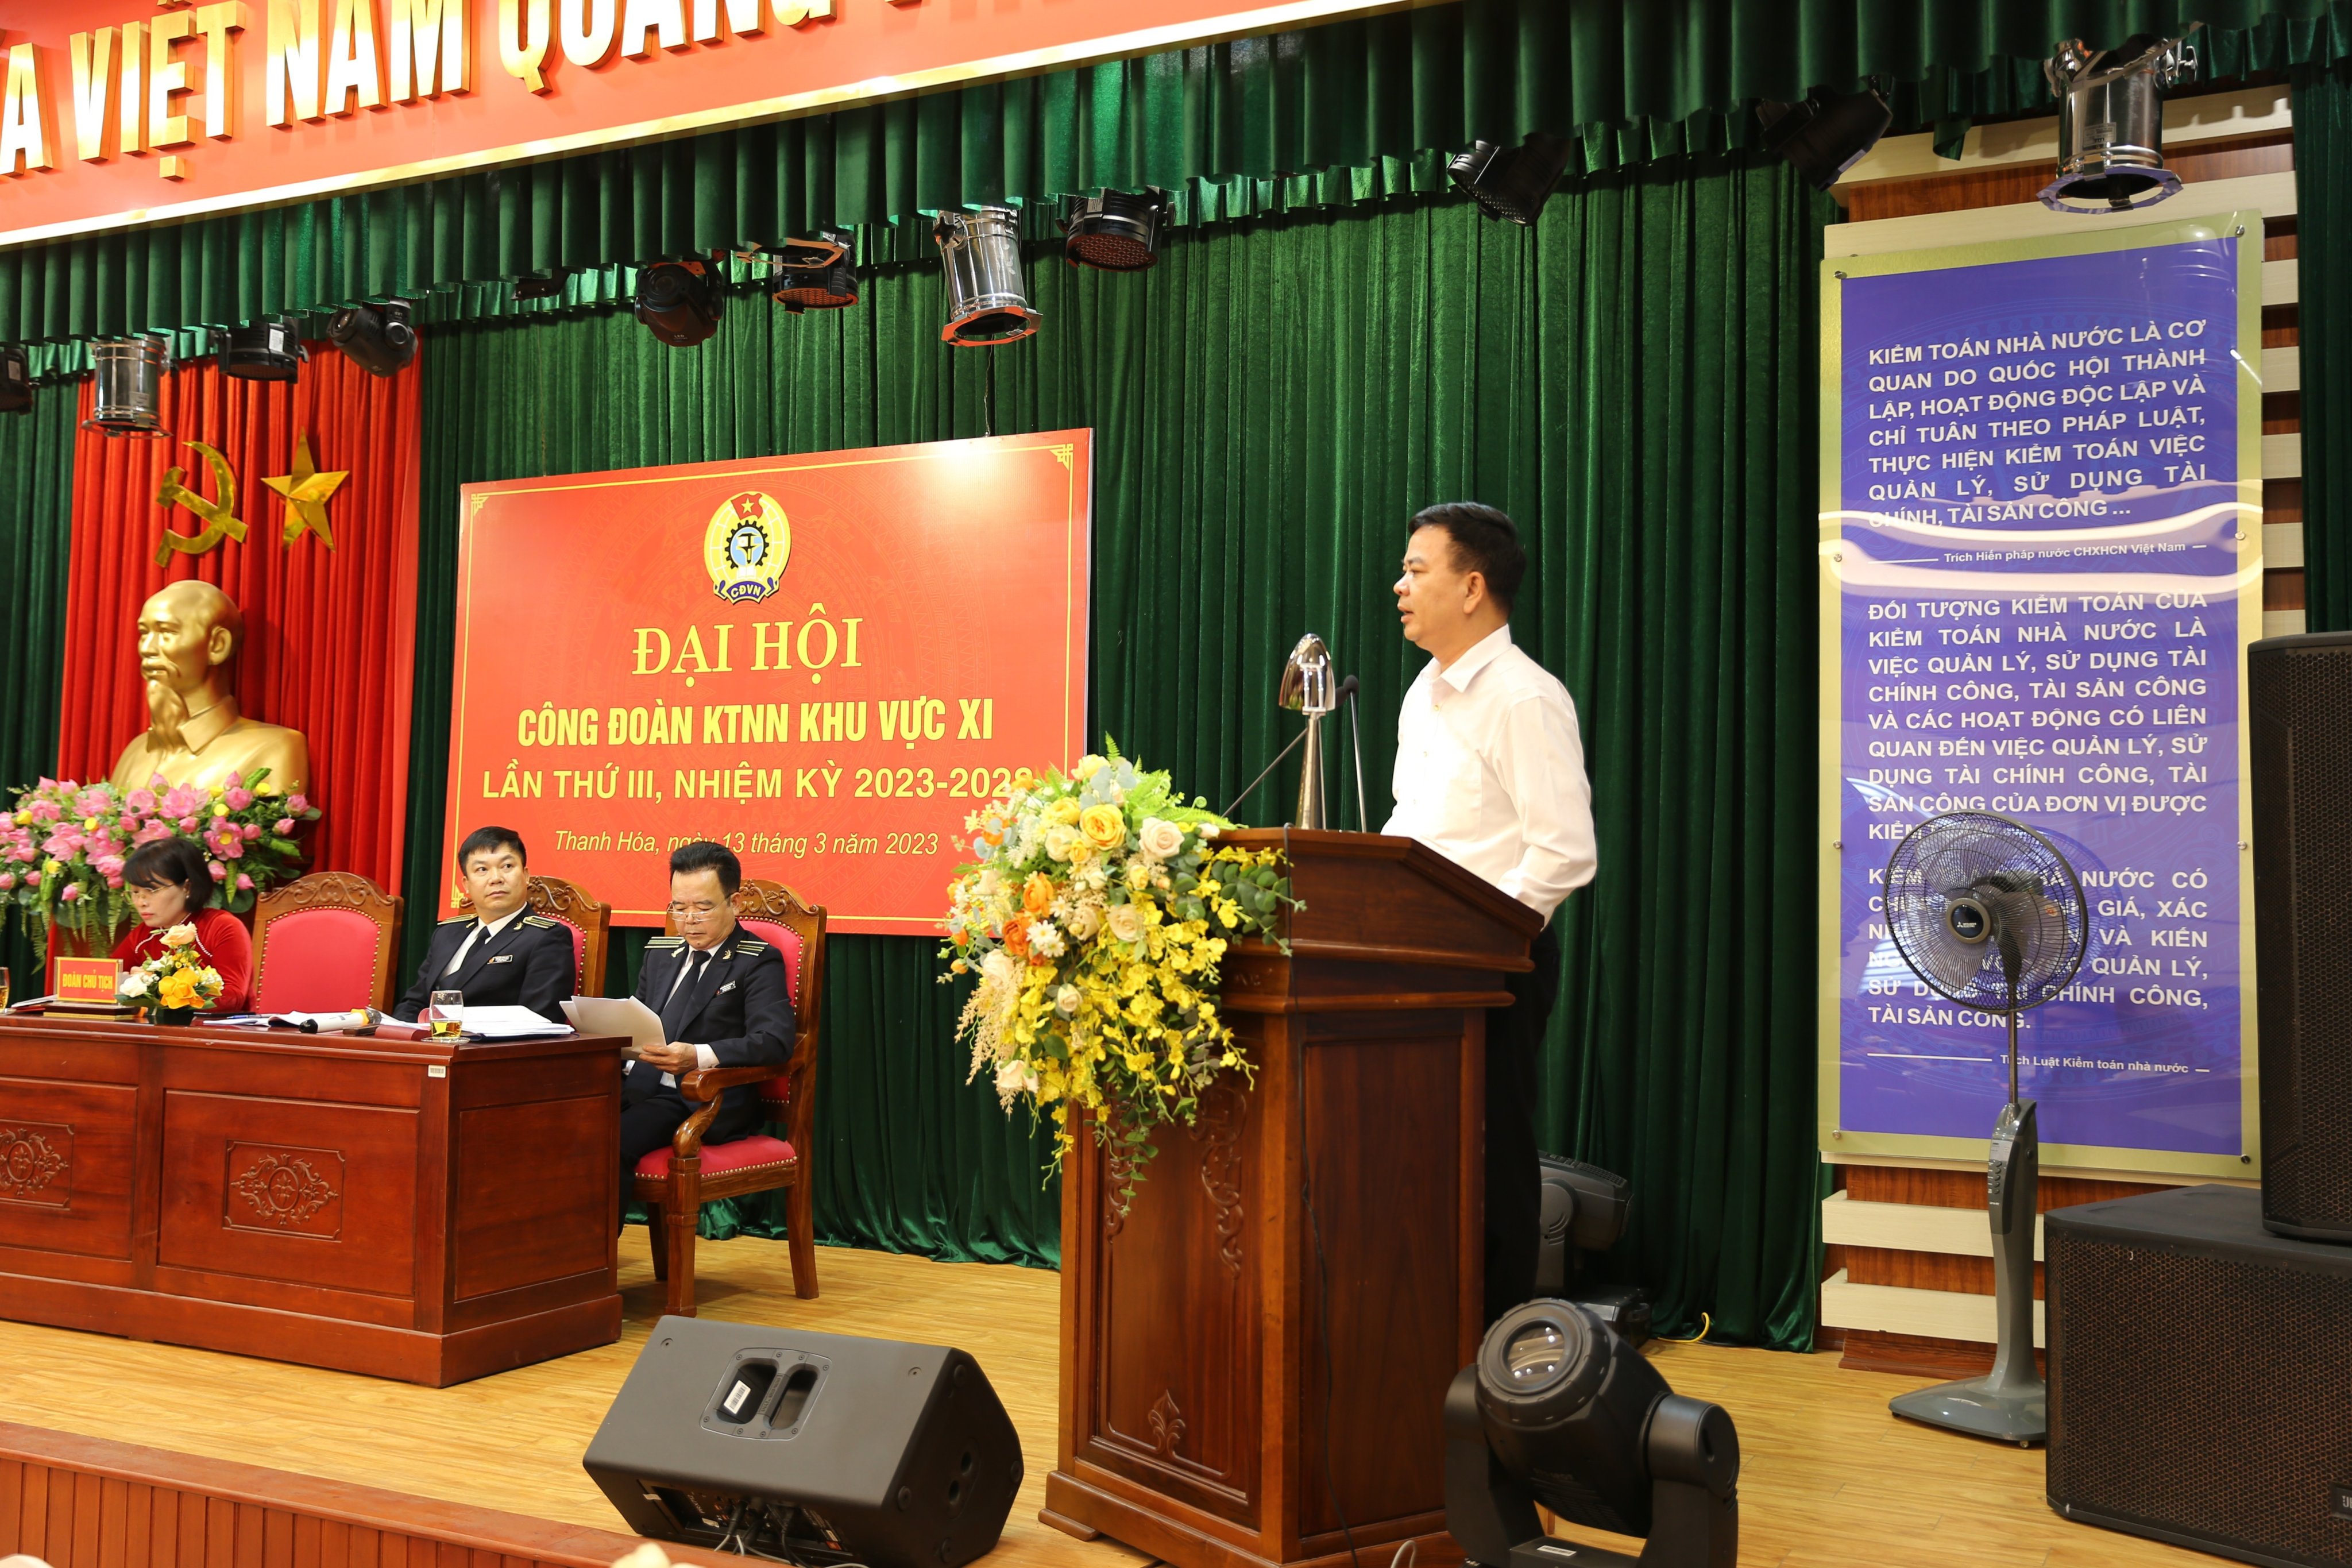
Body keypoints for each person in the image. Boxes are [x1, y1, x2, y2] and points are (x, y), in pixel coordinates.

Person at [1385, 501, 1597, 1325]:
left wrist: (1487, 938)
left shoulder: (1523, 698)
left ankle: (1497, 1339)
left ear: (1471, 587)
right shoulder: (1423, 692)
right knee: (1418, 1150)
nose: (1400, 585)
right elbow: (1413, 824)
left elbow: (1564, 850)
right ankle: (1425, 1322)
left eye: (1416, 569)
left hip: (1495, 964)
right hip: (1417, 958)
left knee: (1488, 1152)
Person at [619, 840, 794, 1222]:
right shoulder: (661, 954)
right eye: (679, 907)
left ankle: (592, 1256)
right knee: (561, 1128)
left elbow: (774, 1042)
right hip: (638, 1086)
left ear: (735, 903)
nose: (689, 920)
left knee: (610, 1142)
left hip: (696, 1098)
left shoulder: (756, 960)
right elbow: (641, 1021)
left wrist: (697, 1056)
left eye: (702, 907)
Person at [107, 580, 310, 796]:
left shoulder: (273, 749)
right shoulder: (135, 752)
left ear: (218, 645)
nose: (147, 649)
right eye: (144, 633)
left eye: (167, 632)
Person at [391, 826, 577, 1022]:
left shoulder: (546, 937)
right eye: (482, 870)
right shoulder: (447, 933)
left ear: (526, 875)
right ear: (466, 884)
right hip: (431, 1040)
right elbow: (415, 1003)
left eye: (507, 866)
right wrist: (398, 1033)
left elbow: (540, 1018)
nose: (496, 879)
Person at [112, 837, 253, 1014]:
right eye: (135, 892)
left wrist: (153, 987)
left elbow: (232, 998)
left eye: (151, 891)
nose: (141, 902)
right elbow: (104, 981)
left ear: (187, 887)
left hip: (217, 1029)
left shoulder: (222, 927)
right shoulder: (144, 935)